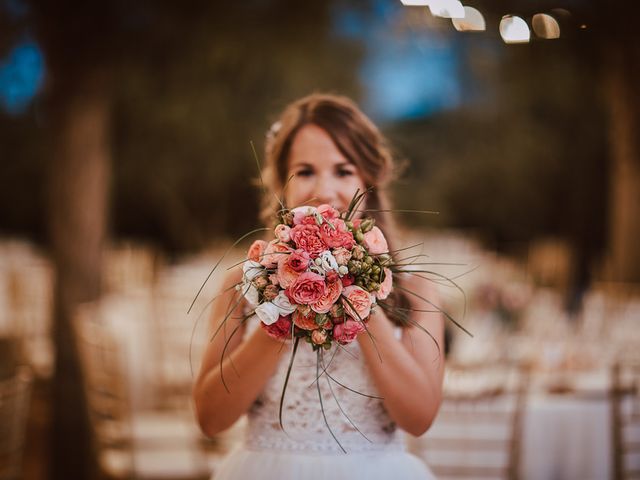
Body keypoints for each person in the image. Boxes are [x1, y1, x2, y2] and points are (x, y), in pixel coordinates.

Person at [193, 93, 444, 479]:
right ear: (281, 182)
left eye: (343, 171)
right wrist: (278, 306)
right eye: (305, 171)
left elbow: (419, 417)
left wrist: (359, 296)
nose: (325, 189)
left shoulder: (415, 291)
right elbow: (210, 419)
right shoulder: (240, 284)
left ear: (368, 181)